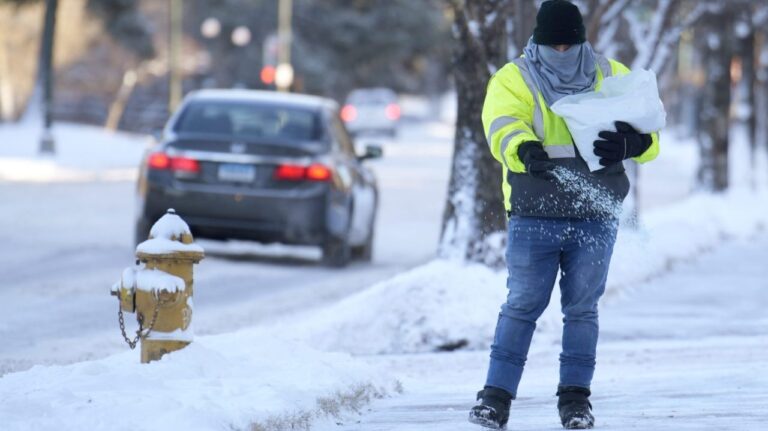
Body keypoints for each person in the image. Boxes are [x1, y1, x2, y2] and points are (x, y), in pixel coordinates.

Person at [468, 1, 660, 430]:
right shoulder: (514, 78)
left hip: (595, 214)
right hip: (534, 212)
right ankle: (495, 399)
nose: (560, 52)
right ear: (537, 42)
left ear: (581, 42)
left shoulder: (611, 75)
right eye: (552, 45)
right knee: (522, 304)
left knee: (582, 308)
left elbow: (651, 129)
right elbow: (501, 125)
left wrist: (634, 144)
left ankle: (575, 401)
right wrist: (522, 148)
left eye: (568, 45)